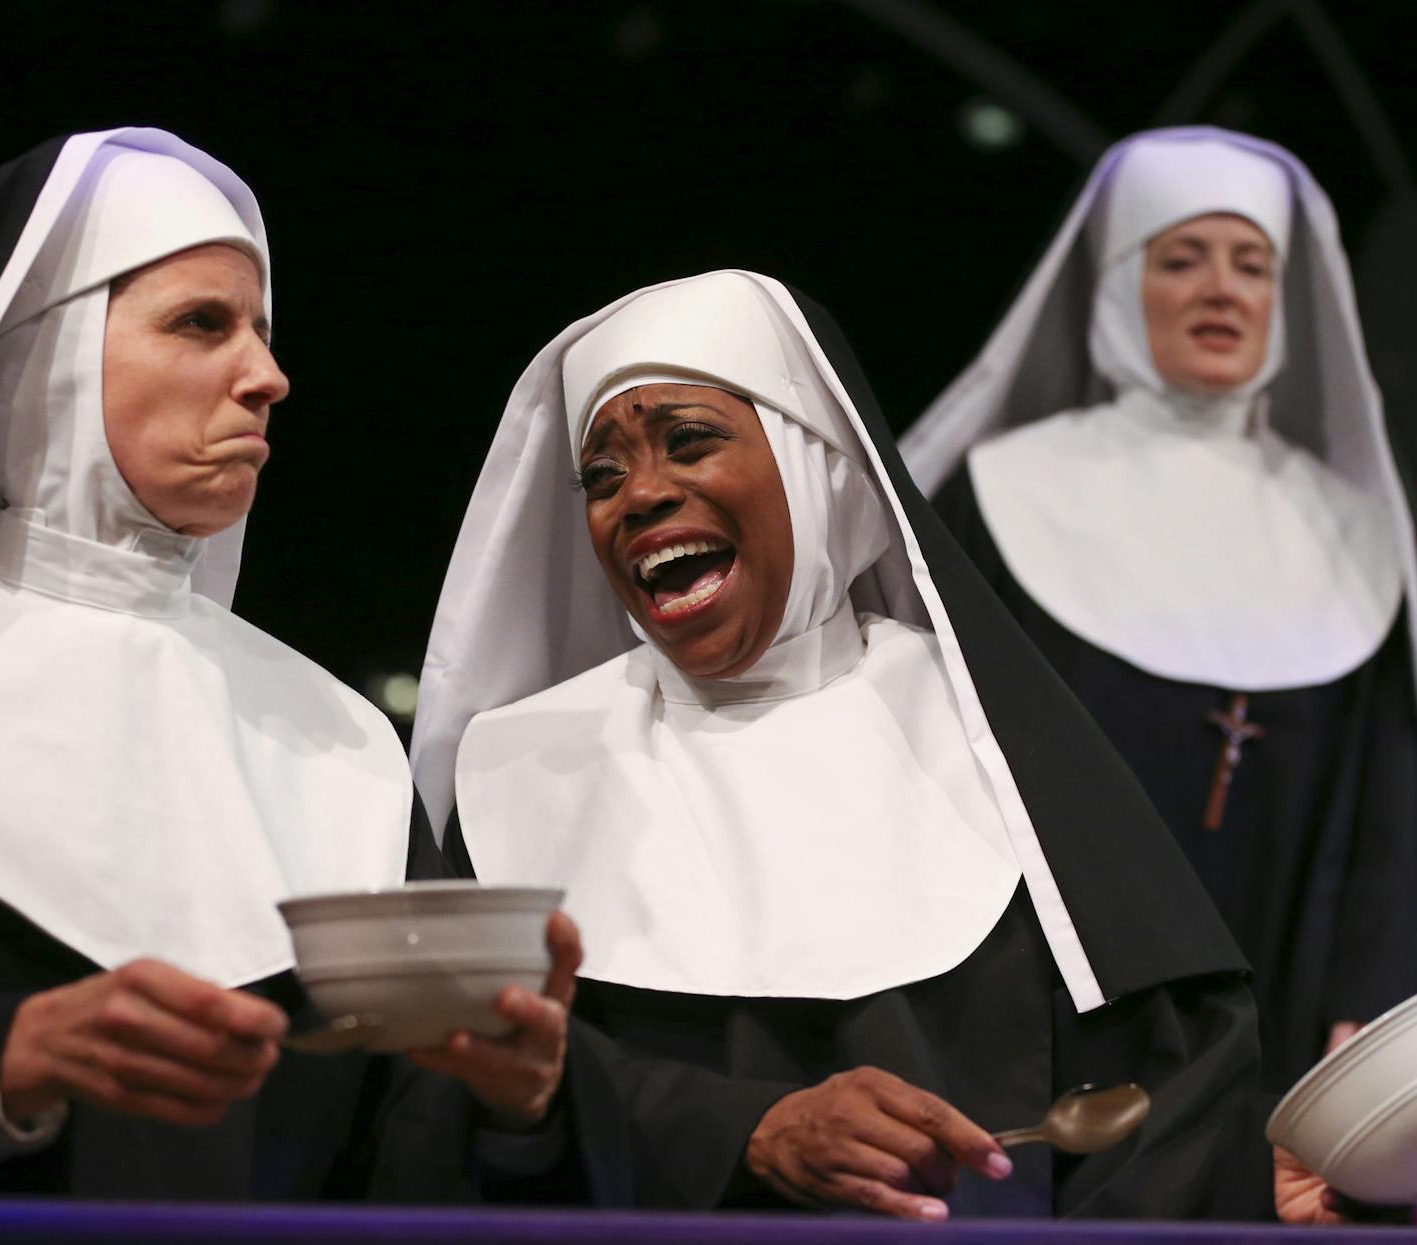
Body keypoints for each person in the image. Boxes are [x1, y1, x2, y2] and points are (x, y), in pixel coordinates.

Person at [407, 269, 1306, 1220]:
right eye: (602, 474)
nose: (640, 495)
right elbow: (457, 1112)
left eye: (690, 440)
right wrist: (746, 1131)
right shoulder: (519, 777)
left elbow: (1167, 1095)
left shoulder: (992, 744)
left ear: (821, 466)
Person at [0, 128, 577, 1200]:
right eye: (202, 324)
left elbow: (402, 1148)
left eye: (261, 329)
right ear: (45, 357)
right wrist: (2, 1065)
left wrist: (516, 1107)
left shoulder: (338, 739)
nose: (268, 376)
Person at [899, 127, 1417, 1096]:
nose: (1223, 290)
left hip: (1285, 1022)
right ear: (1118, 285)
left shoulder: (1355, 534)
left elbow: (1389, 805)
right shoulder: (1006, 492)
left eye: (1253, 265)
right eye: (1182, 259)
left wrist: (1376, 1000)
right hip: (1037, 1012)